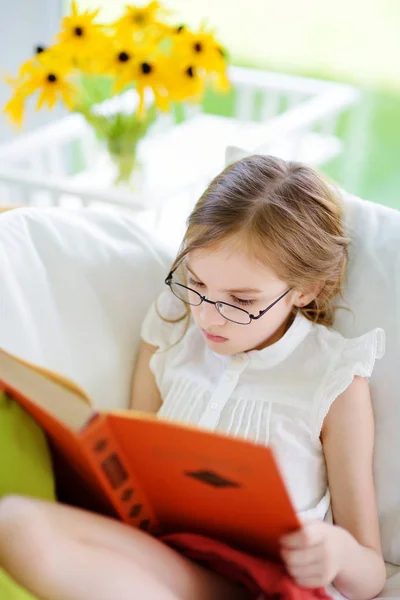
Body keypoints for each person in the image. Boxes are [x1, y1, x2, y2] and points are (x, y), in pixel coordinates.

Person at [0, 155, 386, 600]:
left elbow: (371, 572)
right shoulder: (172, 332)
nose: (208, 317)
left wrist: (336, 551)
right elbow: (132, 463)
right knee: (16, 521)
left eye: (241, 300)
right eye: (197, 284)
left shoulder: (335, 379)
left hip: (270, 584)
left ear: (306, 290)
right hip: (175, 558)